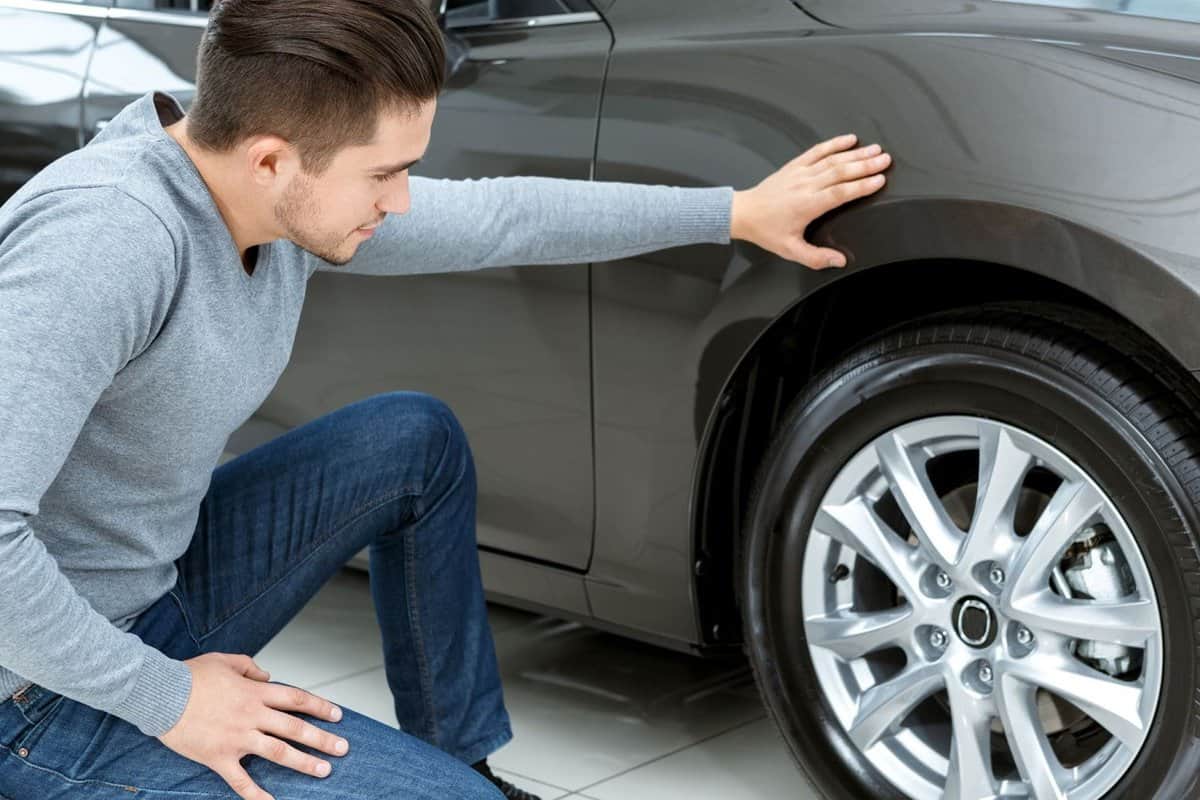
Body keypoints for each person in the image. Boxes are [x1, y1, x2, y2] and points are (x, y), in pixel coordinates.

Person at [0, 0, 892, 798]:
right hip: (34, 689)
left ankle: (461, 761)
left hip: (146, 595)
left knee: (411, 439)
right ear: (272, 159)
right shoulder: (106, 242)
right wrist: (170, 700)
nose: (400, 200)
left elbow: (505, 216)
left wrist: (736, 211)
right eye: (383, 173)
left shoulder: (260, 196)